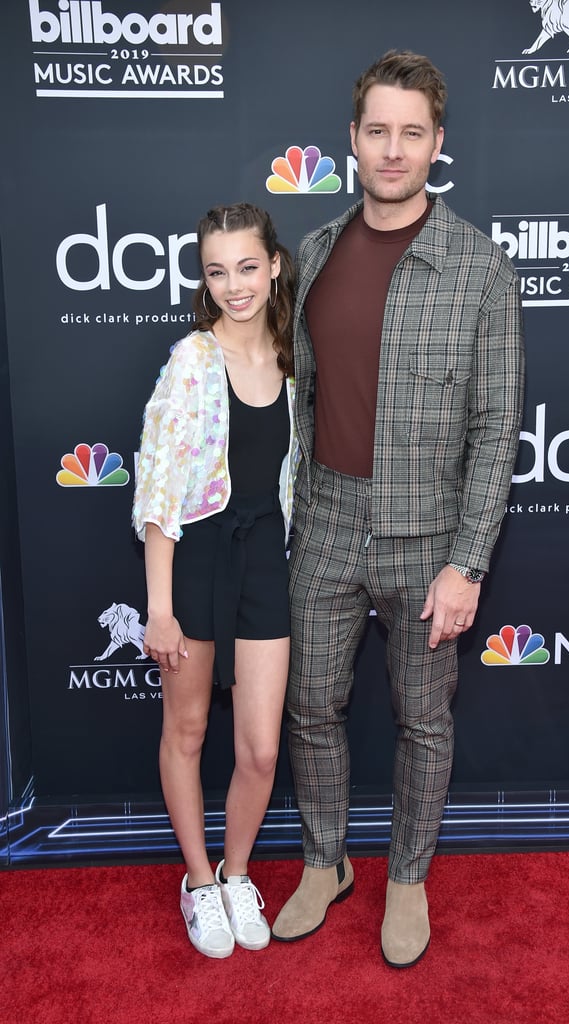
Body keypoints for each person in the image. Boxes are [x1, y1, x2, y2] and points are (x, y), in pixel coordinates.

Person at [271, 51, 525, 967]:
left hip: (430, 538)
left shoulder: (480, 267)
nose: (392, 149)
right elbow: (296, 397)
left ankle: (408, 877)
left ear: (437, 144)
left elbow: (499, 424)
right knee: (310, 707)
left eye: (411, 132)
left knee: (424, 720)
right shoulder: (313, 251)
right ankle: (325, 862)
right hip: (327, 522)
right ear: (352, 139)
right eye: (376, 130)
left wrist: (469, 562)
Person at [132, 202, 299, 959]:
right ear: (204, 278)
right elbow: (159, 494)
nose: (234, 285)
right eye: (216, 270)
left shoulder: (294, 356)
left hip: (266, 556)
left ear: (274, 265)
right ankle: (199, 882)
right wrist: (158, 610)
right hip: (196, 556)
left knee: (260, 750)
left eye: (247, 266)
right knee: (190, 730)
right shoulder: (191, 361)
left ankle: (238, 873)